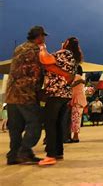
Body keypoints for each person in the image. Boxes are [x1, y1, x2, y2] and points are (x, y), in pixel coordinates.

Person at [5, 26, 49, 165]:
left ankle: (13, 155)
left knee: (15, 127)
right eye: (43, 36)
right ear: (39, 36)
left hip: (11, 94)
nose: (44, 39)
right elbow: (36, 74)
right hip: (26, 94)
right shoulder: (36, 51)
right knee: (35, 123)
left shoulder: (19, 48)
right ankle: (24, 151)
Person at [38, 37, 81, 166]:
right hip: (65, 95)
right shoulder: (73, 58)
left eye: (63, 41)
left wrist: (42, 47)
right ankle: (58, 152)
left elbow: (46, 59)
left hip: (56, 93)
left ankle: (51, 154)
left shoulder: (64, 53)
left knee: (50, 124)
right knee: (57, 124)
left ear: (66, 44)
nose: (61, 43)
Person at [69, 65, 86, 142]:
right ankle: (75, 135)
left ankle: (75, 136)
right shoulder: (80, 77)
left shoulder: (76, 77)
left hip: (76, 100)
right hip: (80, 100)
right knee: (77, 118)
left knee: (75, 118)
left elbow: (70, 86)